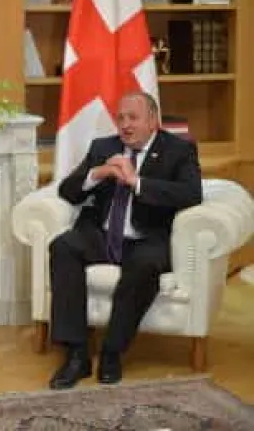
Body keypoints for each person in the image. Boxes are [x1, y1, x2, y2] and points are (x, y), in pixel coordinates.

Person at [48, 91, 202, 390]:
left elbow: (191, 194)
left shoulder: (178, 150)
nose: (125, 125)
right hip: (101, 233)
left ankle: (111, 352)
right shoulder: (103, 147)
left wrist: (137, 182)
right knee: (63, 246)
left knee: (145, 266)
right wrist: (96, 174)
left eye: (133, 118)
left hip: (146, 237)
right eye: (120, 118)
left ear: (153, 121)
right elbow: (68, 192)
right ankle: (76, 354)